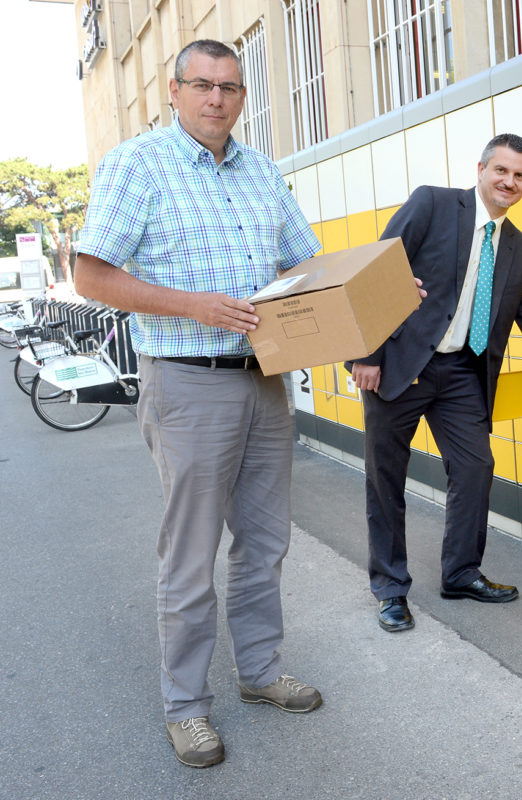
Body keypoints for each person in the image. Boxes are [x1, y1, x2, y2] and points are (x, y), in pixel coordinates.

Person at [75, 39, 325, 769]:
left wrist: (363, 299)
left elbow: (304, 264)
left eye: (231, 87)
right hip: (186, 380)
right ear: (175, 92)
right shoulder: (138, 164)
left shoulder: (262, 173)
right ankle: (186, 707)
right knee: (190, 554)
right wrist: (196, 307)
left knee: (265, 542)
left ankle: (258, 672)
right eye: (203, 85)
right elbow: (91, 274)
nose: (218, 98)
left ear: (243, 97)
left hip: (265, 378)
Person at [350, 133, 522, 634]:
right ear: (482, 168)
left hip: (463, 371)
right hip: (401, 363)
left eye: (520, 176)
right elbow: (375, 271)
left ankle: (461, 572)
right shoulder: (433, 204)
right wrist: (367, 354)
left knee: (475, 468)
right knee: (386, 478)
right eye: (502, 171)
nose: (510, 182)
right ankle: (390, 589)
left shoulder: (519, 249)